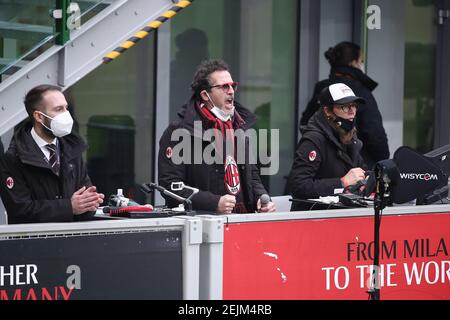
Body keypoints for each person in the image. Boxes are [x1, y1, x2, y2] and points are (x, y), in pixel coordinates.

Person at [159, 59, 276, 214]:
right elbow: (170, 186)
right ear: (205, 95)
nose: (231, 91)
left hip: (242, 221)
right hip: (203, 226)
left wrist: (261, 198)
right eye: (224, 87)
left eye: (233, 85)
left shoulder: (238, 125)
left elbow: (251, 176)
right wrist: (214, 203)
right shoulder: (179, 131)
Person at [0, 85, 104, 224]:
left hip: (72, 240)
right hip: (33, 243)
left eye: (66, 108)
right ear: (38, 116)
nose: (66, 114)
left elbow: (84, 201)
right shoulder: (13, 158)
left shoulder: (73, 150)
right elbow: (19, 210)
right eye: (58, 109)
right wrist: (69, 207)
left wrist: (90, 203)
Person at [300, 42, 389, 168]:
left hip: (324, 165)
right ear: (353, 62)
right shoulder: (361, 91)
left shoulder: (322, 88)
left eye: (354, 107)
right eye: (361, 60)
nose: (351, 111)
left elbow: (305, 123)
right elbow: (374, 135)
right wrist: (382, 161)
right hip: (353, 167)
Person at [288, 83, 368, 210]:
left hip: (340, 217)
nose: (352, 111)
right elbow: (299, 186)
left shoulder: (350, 137)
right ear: (327, 111)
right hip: (312, 219)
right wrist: (342, 182)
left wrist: (369, 180)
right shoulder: (313, 139)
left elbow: (361, 172)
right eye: (345, 107)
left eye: (354, 105)